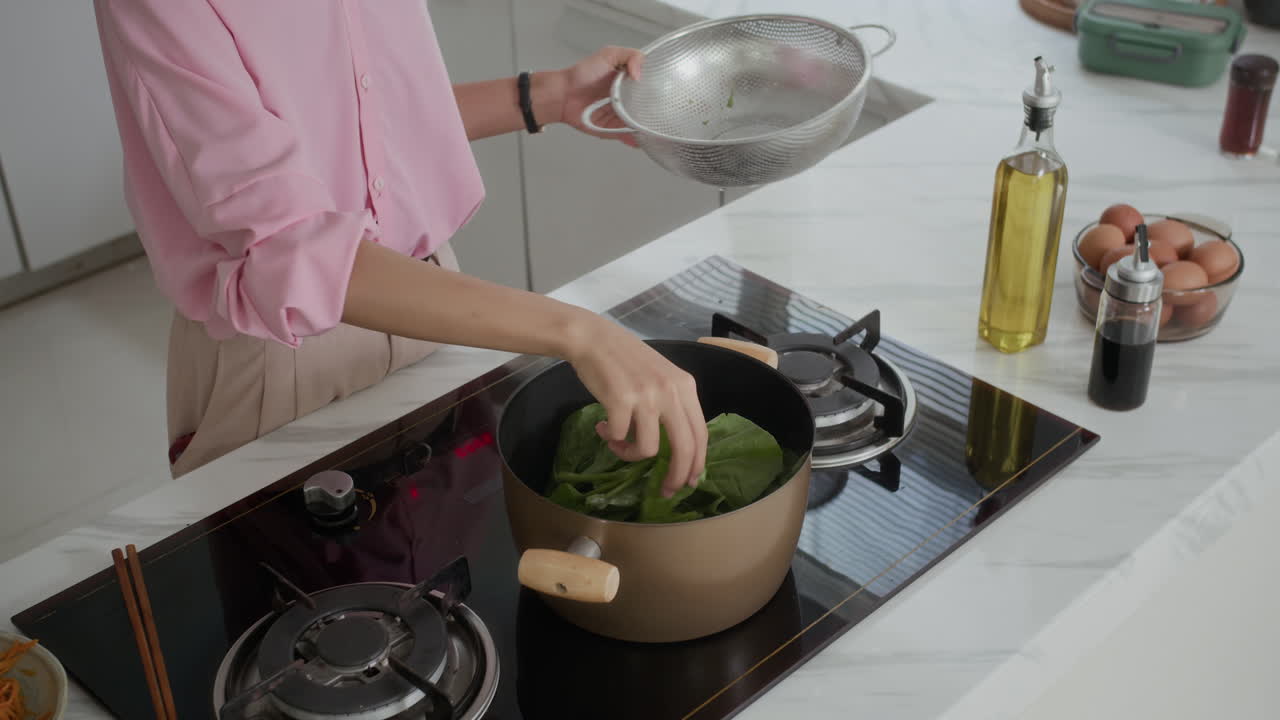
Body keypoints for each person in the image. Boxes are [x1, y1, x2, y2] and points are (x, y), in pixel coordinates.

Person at [91, 0, 707, 494]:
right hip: (281, 354)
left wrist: (552, 95)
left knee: (454, 588)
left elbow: (366, 123)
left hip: (428, 296)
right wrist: (582, 332)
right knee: (300, 617)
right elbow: (290, 250)